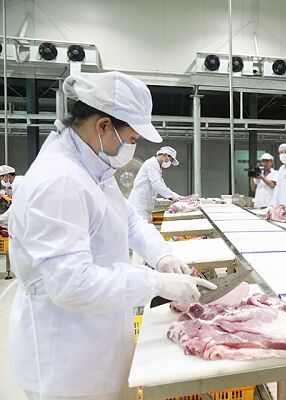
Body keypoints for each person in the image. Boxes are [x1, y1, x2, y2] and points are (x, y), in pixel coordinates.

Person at [8, 71, 215, 400]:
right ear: (104, 125)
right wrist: (155, 283)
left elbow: (128, 220)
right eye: (131, 139)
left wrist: (163, 256)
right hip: (66, 359)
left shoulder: (94, 168)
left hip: (100, 338)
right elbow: (71, 284)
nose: (132, 147)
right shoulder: (60, 180)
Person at [128, 146, 181, 221]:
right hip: (139, 204)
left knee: (145, 224)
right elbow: (157, 184)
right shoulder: (151, 163)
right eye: (170, 160)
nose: (169, 163)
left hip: (145, 205)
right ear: (165, 155)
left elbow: (162, 184)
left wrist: (173, 195)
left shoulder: (157, 167)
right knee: (141, 225)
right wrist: (172, 196)